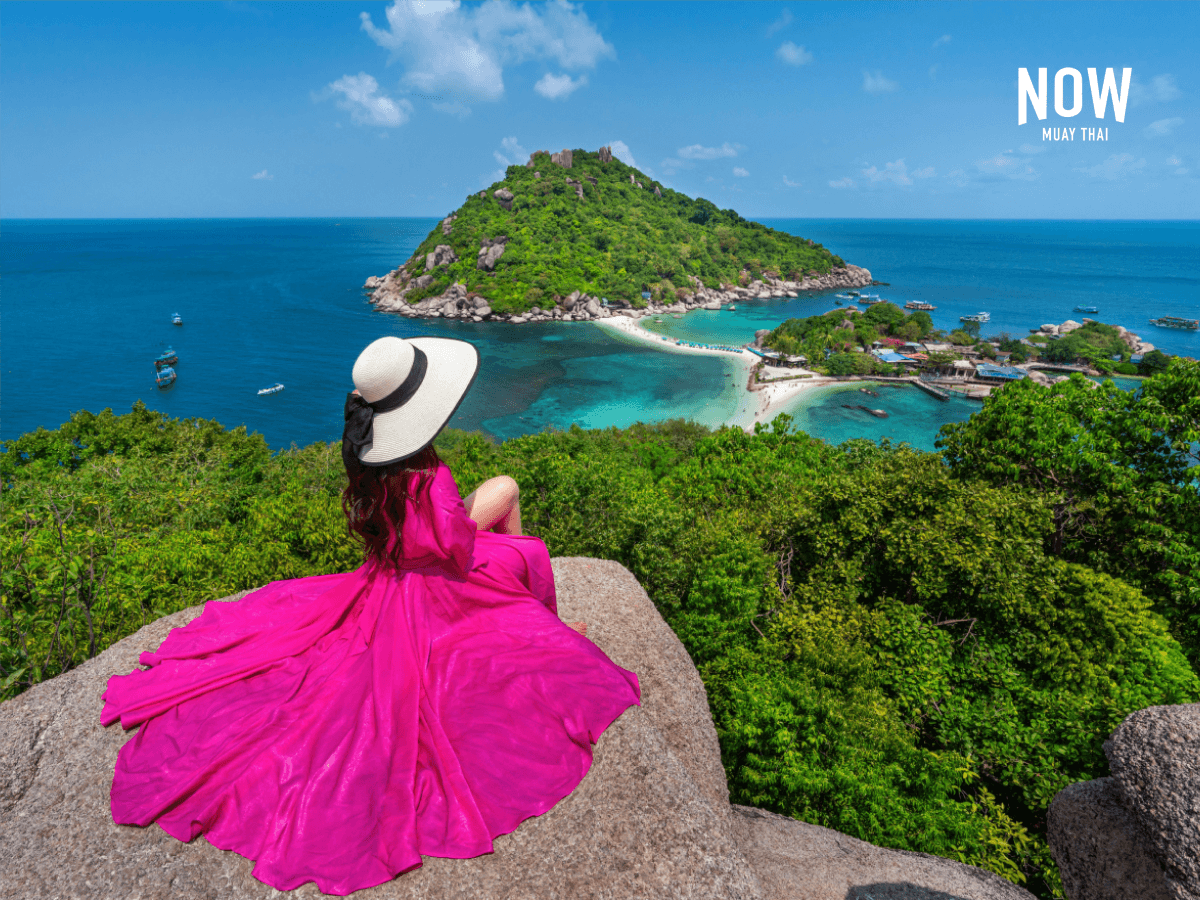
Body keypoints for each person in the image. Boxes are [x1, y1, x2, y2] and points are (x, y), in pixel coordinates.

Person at [101, 335, 641, 896]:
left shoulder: (366, 461)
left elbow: (388, 535)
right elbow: (458, 550)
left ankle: (543, 625)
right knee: (515, 518)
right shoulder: (431, 475)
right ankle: (547, 628)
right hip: (436, 595)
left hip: (383, 583)